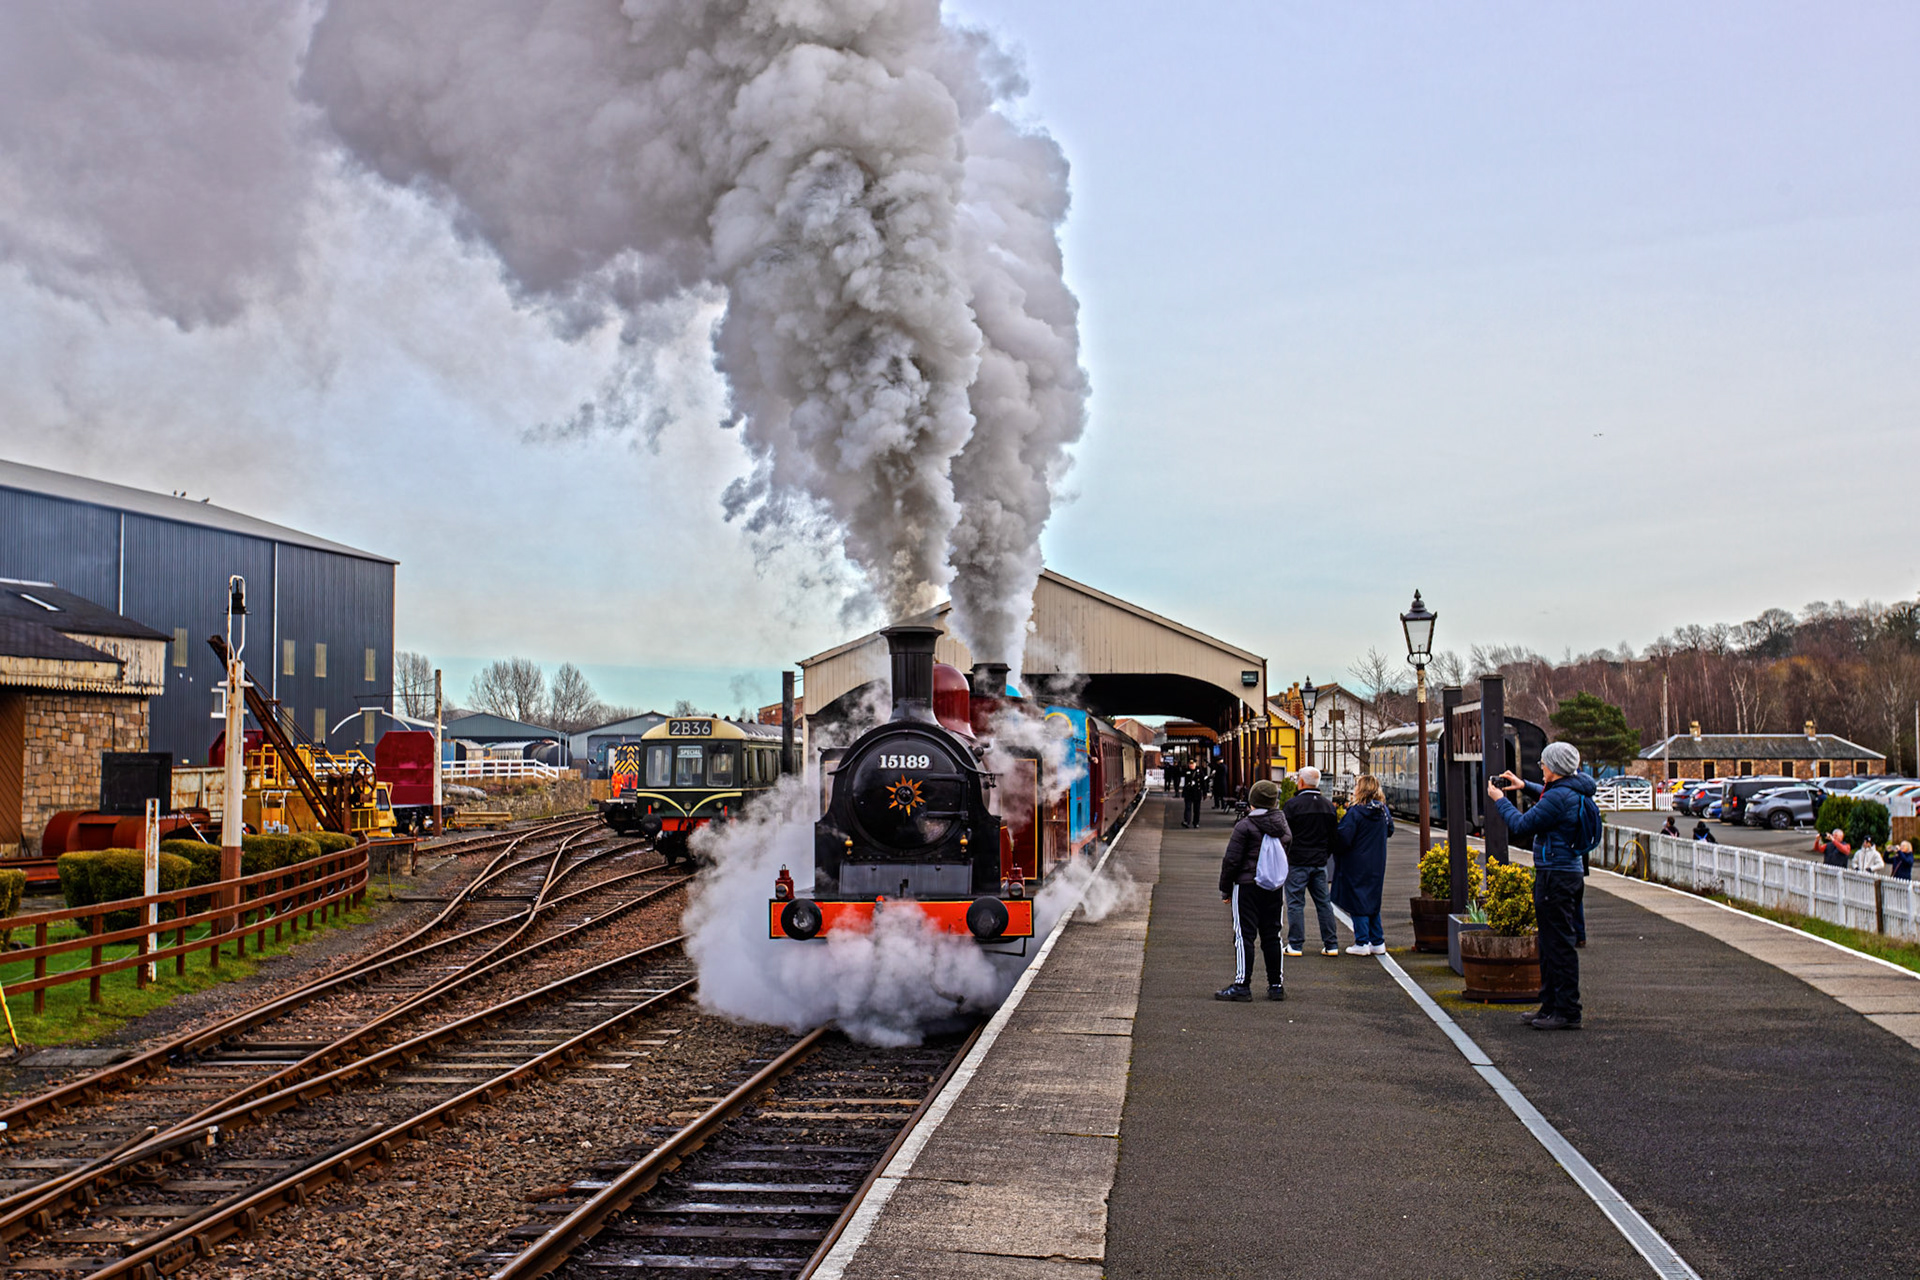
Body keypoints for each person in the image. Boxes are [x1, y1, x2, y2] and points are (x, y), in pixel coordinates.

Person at [1488, 741, 1600, 1031]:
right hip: (1567, 873)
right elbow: (1551, 795)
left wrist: (1500, 799)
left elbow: (1522, 825)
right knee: (1550, 944)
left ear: (1555, 767)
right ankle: (1551, 1005)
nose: (1542, 767)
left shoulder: (1560, 797)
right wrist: (1523, 785)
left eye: (1543, 763)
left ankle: (1567, 1011)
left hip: (1555, 877)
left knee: (1558, 945)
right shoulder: (1574, 788)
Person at [1216, 779, 1293, 1002]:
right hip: (1274, 887)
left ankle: (1242, 984)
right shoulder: (1283, 825)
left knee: (1244, 936)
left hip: (1247, 886)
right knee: (1272, 935)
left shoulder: (1245, 826)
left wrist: (1225, 889)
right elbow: (1287, 847)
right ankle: (1276, 985)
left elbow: (1231, 861)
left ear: (1253, 801)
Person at [1281, 766, 1341, 957]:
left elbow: (1284, 835)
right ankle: (1331, 944)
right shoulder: (1328, 806)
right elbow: (1334, 838)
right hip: (1319, 861)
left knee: (1296, 903)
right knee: (1324, 903)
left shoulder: (1292, 806)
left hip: (1297, 861)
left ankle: (1296, 945)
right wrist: (1324, 854)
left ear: (1300, 782)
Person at [1333, 773, 1393, 955]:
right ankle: (1377, 941)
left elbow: (1344, 838)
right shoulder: (1383, 811)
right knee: (1373, 899)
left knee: (1357, 900)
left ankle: (1362, 942)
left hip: (1355, 862)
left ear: (1361, 789)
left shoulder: (1356, 812)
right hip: (1377, 861)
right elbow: (1390, 830)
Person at [1181, 760, 1206, 829]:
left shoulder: (1199, 771)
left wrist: (1204, 792)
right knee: (1187, 808)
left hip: (1197, 793)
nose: (1191, 765)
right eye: (1190, 764)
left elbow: (1203, 782)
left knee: (1197, 809)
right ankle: (1187, 821)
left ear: (1195, 764)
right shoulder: (1186, 771)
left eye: (1192, 764)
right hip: (1188, 793)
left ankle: (1196, 822)